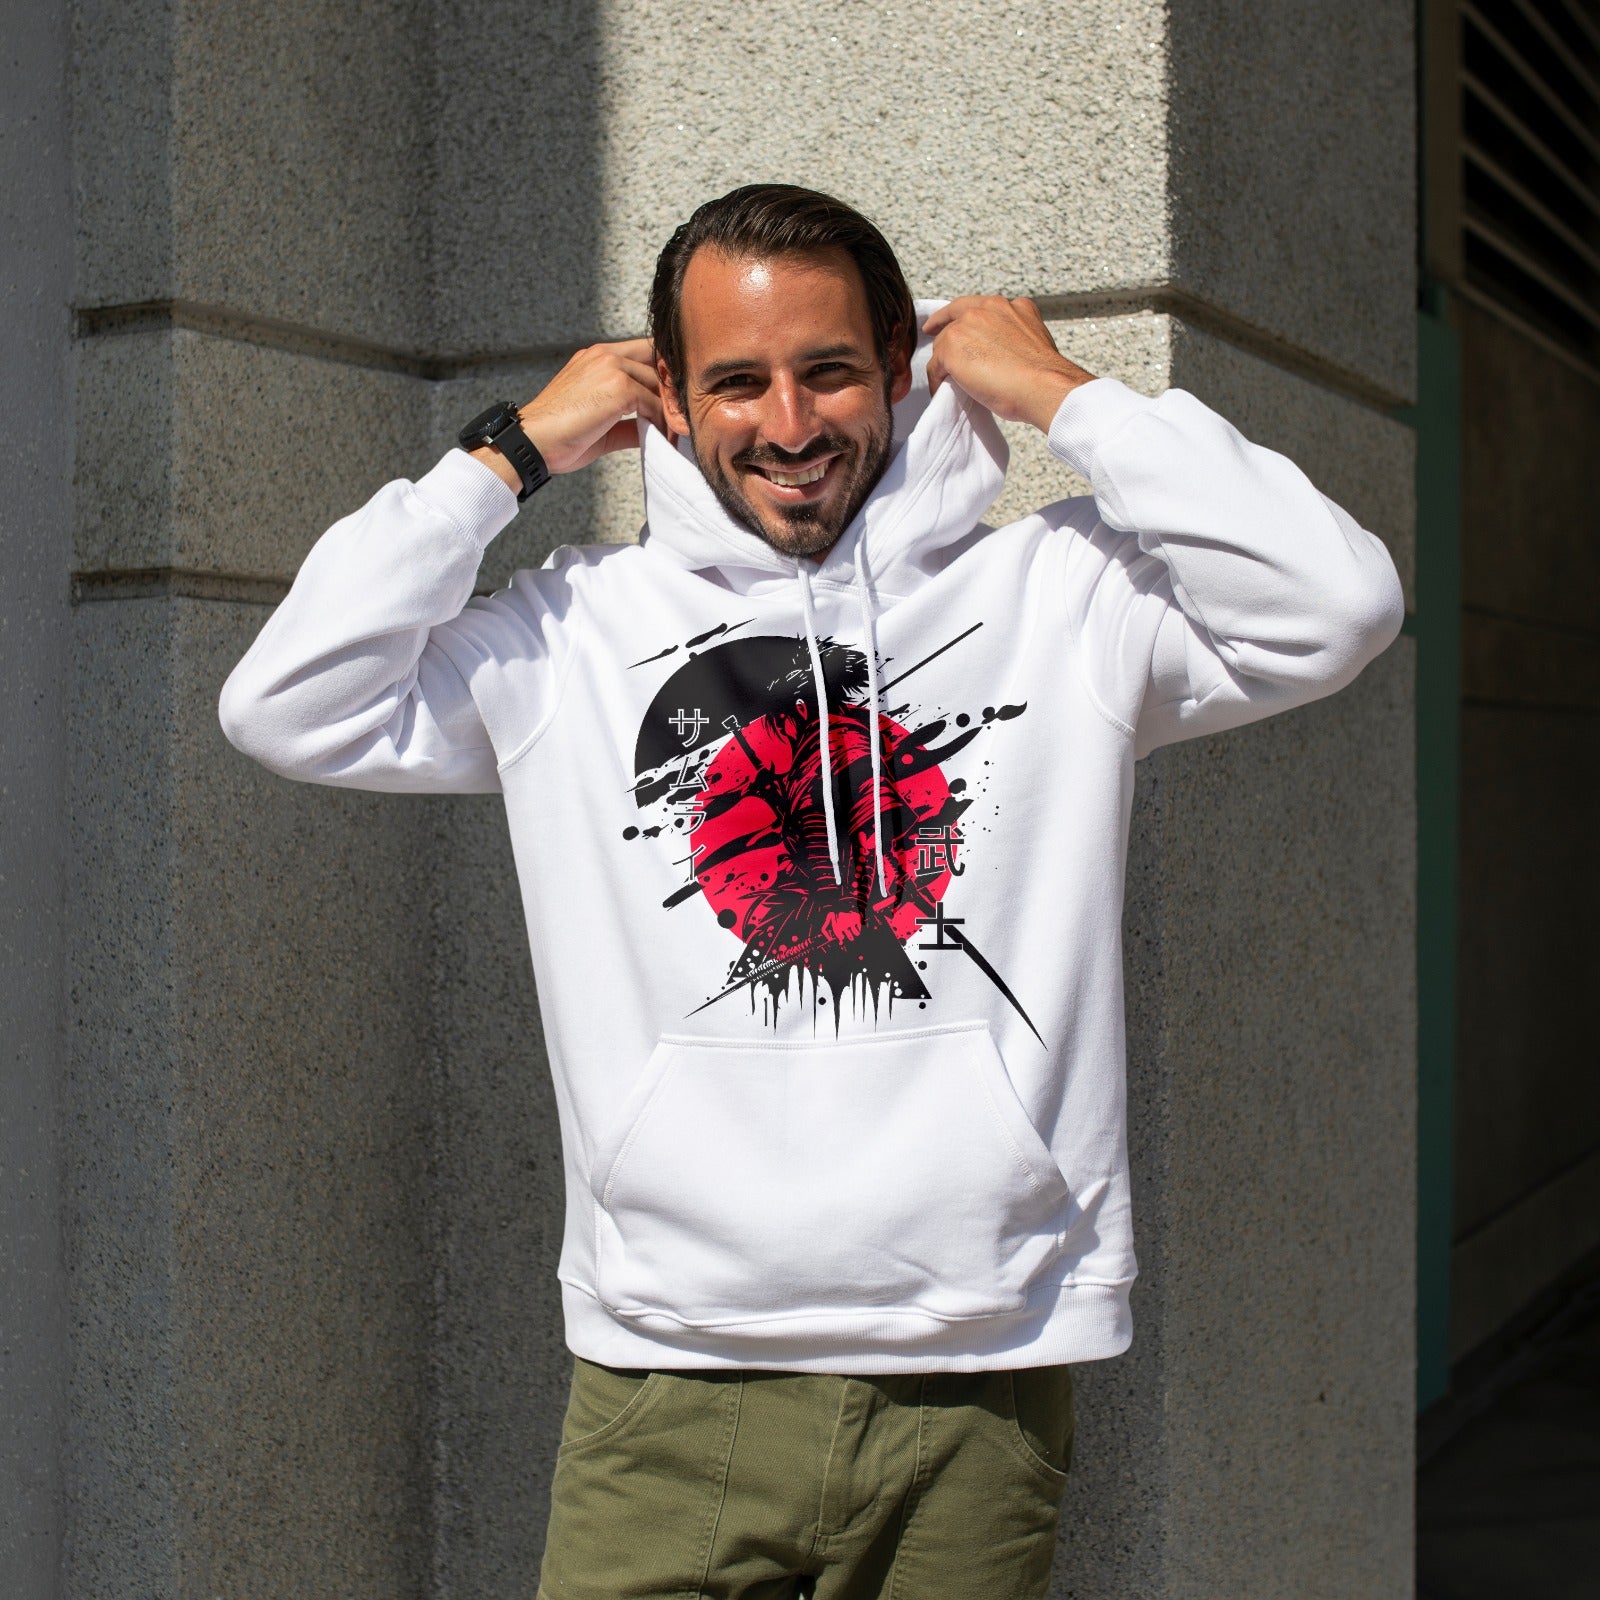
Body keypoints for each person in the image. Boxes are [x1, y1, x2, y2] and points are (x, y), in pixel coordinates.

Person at [218, 184, 1404, 1597]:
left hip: (980, 1373)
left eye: (830, 370)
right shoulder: (572, 634)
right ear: (669, 399)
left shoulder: (1065, 597)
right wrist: (510, 452)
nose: (789, 425)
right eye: (737, 382)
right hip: (670, 1378)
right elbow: (286, 704)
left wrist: (1063, 394)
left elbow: (1336, 604)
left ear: (902, 363)